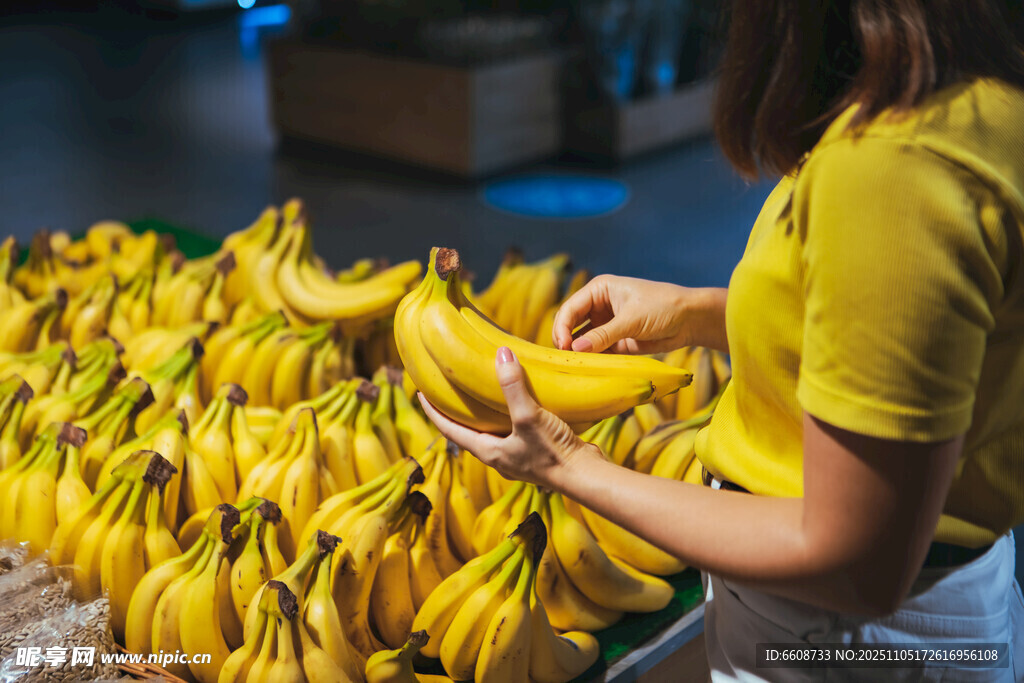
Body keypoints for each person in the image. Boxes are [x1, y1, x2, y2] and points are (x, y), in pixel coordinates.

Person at [420, 1, 1024, 681]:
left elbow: (855, 564)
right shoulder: (980, 98)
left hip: (849, 641)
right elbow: (908, 335)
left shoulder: (892, 169)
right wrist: (699, 313)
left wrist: (568, 465)